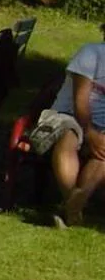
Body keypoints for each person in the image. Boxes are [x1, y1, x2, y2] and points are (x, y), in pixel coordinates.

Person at [28, 30, 105, 228]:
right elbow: (80, 102)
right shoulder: (91, 53)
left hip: (101, 126)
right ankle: (73, 199)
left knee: (104, 150)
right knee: (69, 135)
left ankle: (74, 205)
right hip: (67, 115)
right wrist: (90, 133)